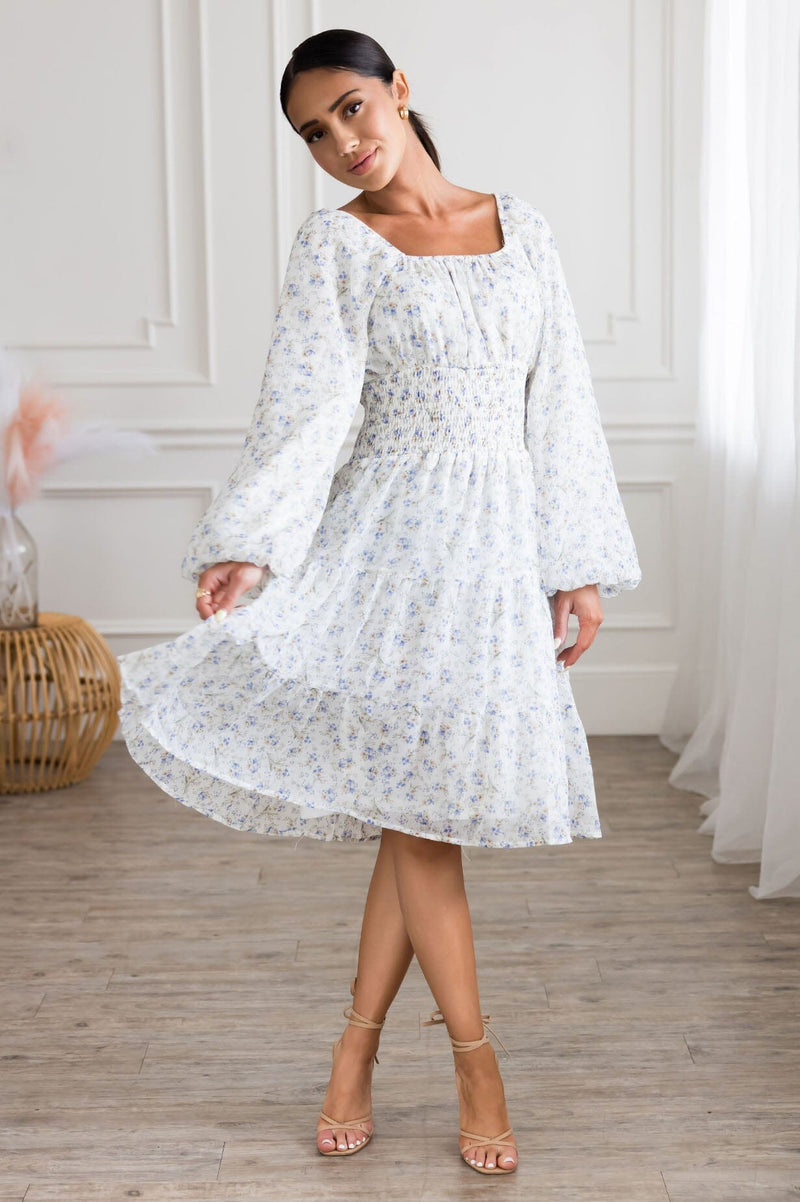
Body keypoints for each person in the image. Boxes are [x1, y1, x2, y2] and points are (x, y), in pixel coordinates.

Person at [117, 26, 641, 1177]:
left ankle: (352, 1052)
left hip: (492, 552)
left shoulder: (521, 228)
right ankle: (474, 1063)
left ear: (398, 90)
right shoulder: (336, 247)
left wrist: (576, 560)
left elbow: (559, 401)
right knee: (423, 821)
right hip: (385, 551)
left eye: (350, 109)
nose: (340, 142)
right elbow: (305, 407)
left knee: (418, 816)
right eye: (313, 133)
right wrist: (249, 545)